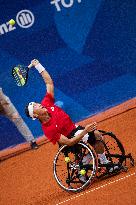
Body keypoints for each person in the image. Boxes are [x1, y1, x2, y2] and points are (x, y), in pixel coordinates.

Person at [25, 59, 111, 165]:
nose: (38, 104)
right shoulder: (48, 130)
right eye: (35, 106)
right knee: (97, 135)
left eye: (36, 103)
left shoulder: (46, 103)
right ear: (35, 115)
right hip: (70, 138)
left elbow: (49, 83)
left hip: (75, 128)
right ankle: (104, 162)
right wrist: (85, 131)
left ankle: (85, 161)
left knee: (99, 137)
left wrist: (38, 66)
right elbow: (69, 142)